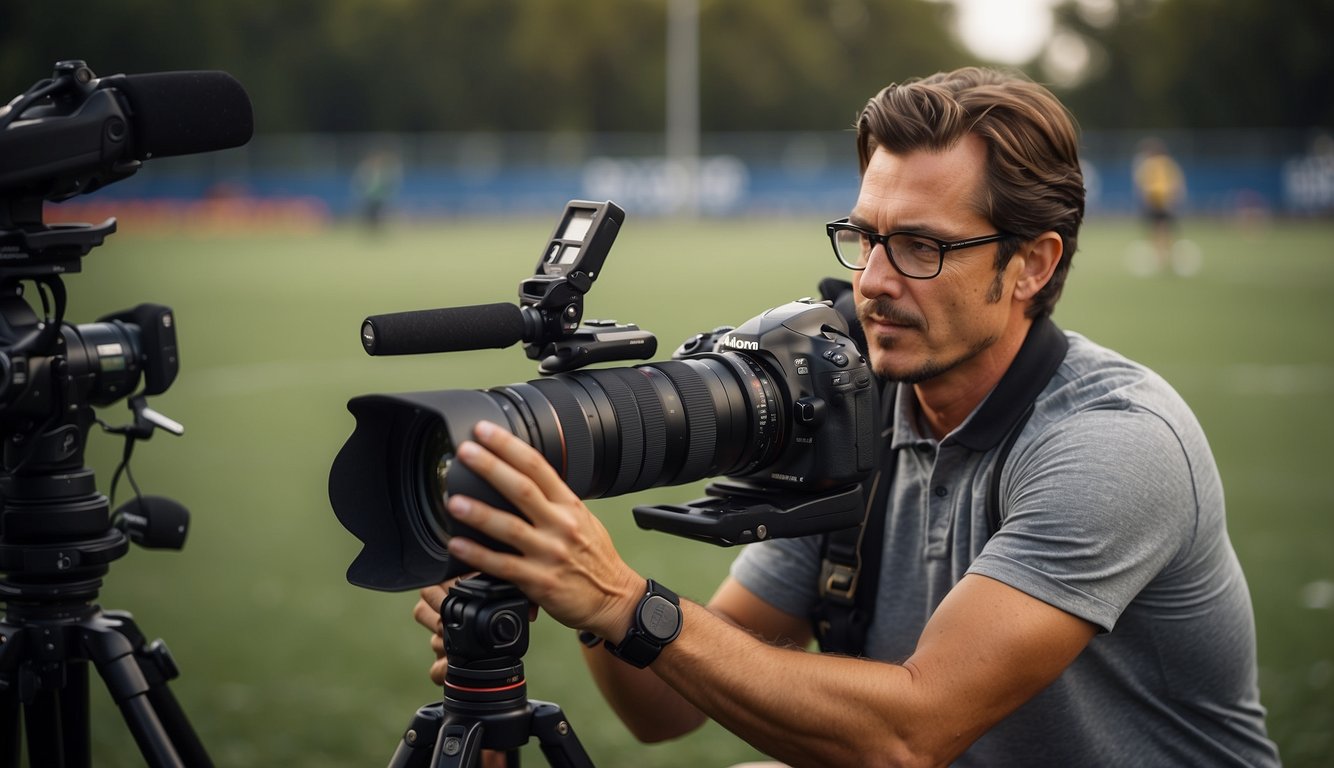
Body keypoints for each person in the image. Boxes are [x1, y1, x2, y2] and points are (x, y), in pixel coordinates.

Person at [413, 67, 1279, 766]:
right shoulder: (848, 409)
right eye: (865, 236)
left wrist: (623, 598)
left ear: (1030, 265)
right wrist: (574, 595)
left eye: (921, 246)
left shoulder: (1112, 444)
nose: (871, 281)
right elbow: (664, 708)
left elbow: (908, 735)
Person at [1132, 137, 1189, 273]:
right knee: (1164, 230)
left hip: (1157, 202)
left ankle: (1161, 258)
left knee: (1158, 230)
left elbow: (1142, 186)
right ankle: (1165, 257)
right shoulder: (1168, 163)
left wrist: (1145, 199)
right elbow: (1177, 183)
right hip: (1165, 202)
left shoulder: (1150, 164)